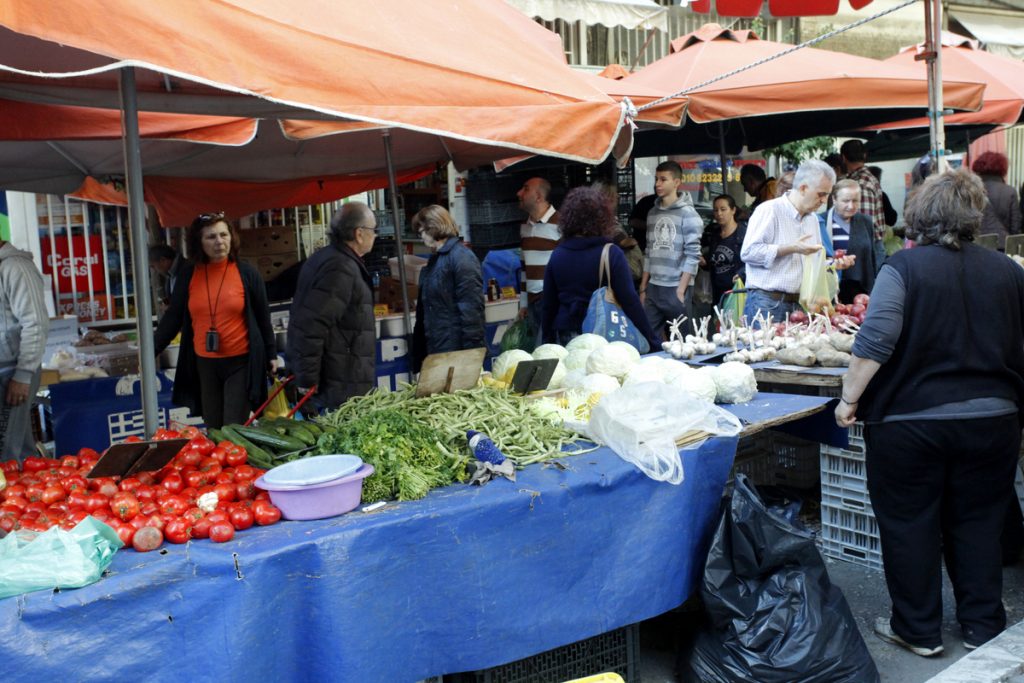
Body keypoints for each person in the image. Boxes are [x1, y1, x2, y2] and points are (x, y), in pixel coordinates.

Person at [835, 169, 1024, 657]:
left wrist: (849, 400)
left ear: (921, 216)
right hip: (993, 422)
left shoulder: (904, 269)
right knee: (981, 523)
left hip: (909, 425)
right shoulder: (1009, 272)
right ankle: (983, 625)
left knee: (910, 524)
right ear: (973, 214)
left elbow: (873, 343)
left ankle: (918, 631)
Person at [154, 212, 275, 428]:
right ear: (199, 242)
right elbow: (173, 317)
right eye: (211, 237)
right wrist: (150, 351)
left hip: (241, 361)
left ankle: (238, 460)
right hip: (204, 363)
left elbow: (263, 318)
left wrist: (271, 355)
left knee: (233, 426)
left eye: (223, 235)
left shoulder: (247, 273)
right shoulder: (189, 274)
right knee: (213, 425)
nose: (219, 242)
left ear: (232, 237)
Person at [541, 187, 658, 349]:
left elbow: (548, 304)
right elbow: (630, 301)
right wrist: (652, 340)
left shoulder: (558, 254)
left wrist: (545, 340)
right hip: (603, 332)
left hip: (566, 334)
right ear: (602, 218)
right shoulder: (611, 253)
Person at [287, 203, 377, 412]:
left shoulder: (327, 257)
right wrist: (308, 380)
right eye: (373, 230)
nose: (375, 236)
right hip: (337, 381)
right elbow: (312, 325)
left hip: (338, 374)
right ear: (359, 233)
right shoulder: (341, 267)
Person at [740, 159, 854, 322]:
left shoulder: (812, 219)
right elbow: (748, 253)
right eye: (821, 194)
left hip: (801, 305)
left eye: (827, 195)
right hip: (767, 303)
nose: (823, 201)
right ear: (803, 188)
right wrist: (791, 248)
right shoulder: (769, 210)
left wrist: (835, 264)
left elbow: (811, 265)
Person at [411, 205, 485, 372]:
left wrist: (472, 356)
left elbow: (472, 311)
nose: (420, 236)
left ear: (434, 227)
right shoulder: (437, 259)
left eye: (421, 231)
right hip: (438, 348)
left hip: (454, 350)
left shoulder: (462, 258)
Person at [639, 161, 703, 339]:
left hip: (676, 287)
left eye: (663, 179)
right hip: (653, 287)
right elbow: (649, 251)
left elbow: (693, 255)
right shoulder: (652, 212)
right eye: (656, 179)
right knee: (646, 339)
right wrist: (643, 288)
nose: (657, 184)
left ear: (676, 182)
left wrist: (681, 291)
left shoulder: (689, 214)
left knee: (683, 342)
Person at [0, 239, 49, 463]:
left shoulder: (16, 267)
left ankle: (23, 494)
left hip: (12, 372)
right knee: (14, 447)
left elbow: (36, 323)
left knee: (8, 452)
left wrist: (23, 375)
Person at [818, 179, 880, 301]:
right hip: (829, 290)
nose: (851, 206)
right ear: (834, 199)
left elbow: (873, 256)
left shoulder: (866, 221)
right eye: (846, 201)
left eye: (855, 201)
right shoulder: (820, 222)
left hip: (860, 291)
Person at [516, 177, 559, 343]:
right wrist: (524, 304)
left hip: (552, 302)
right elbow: (524, 268)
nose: (519, 193)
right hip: (534, 305)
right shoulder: (525, 227)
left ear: (539, 197)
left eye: (526, 189)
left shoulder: (561, 224)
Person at [840, 139, 886, 265]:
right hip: (870, 247)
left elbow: (865, 226)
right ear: (864, 156)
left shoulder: (861, 184)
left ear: (844, 158)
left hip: (868, 249)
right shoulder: (866, 178)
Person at [593, 179, 643, 291]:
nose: (618, 197)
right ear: (607, 198)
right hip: (616, 272)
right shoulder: (607, 220)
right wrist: (633, 241)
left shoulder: (594, 219)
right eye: (615, 195)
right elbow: (623, 242)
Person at [702, 194, 746, 306]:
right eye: (716, 210)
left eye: (723, 209)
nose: (719, 214)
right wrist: (704, 263)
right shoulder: (714, 235)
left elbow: (753, 261)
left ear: (733, 210)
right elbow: (716, 262)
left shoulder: (743, 234)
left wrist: (741, 274)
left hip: (737, 292)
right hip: (718, 295)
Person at [971, 151, 1021, 249]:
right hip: (1002, 245)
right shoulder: (1010, 191)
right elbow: (1015, 226)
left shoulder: (971, 190)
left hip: (977, 244)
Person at [149, 243, 183, 313]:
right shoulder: (170, 275)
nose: (154, 270)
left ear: (163, 260)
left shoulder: (186, 271)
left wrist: (171, 309)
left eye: (153, 266)